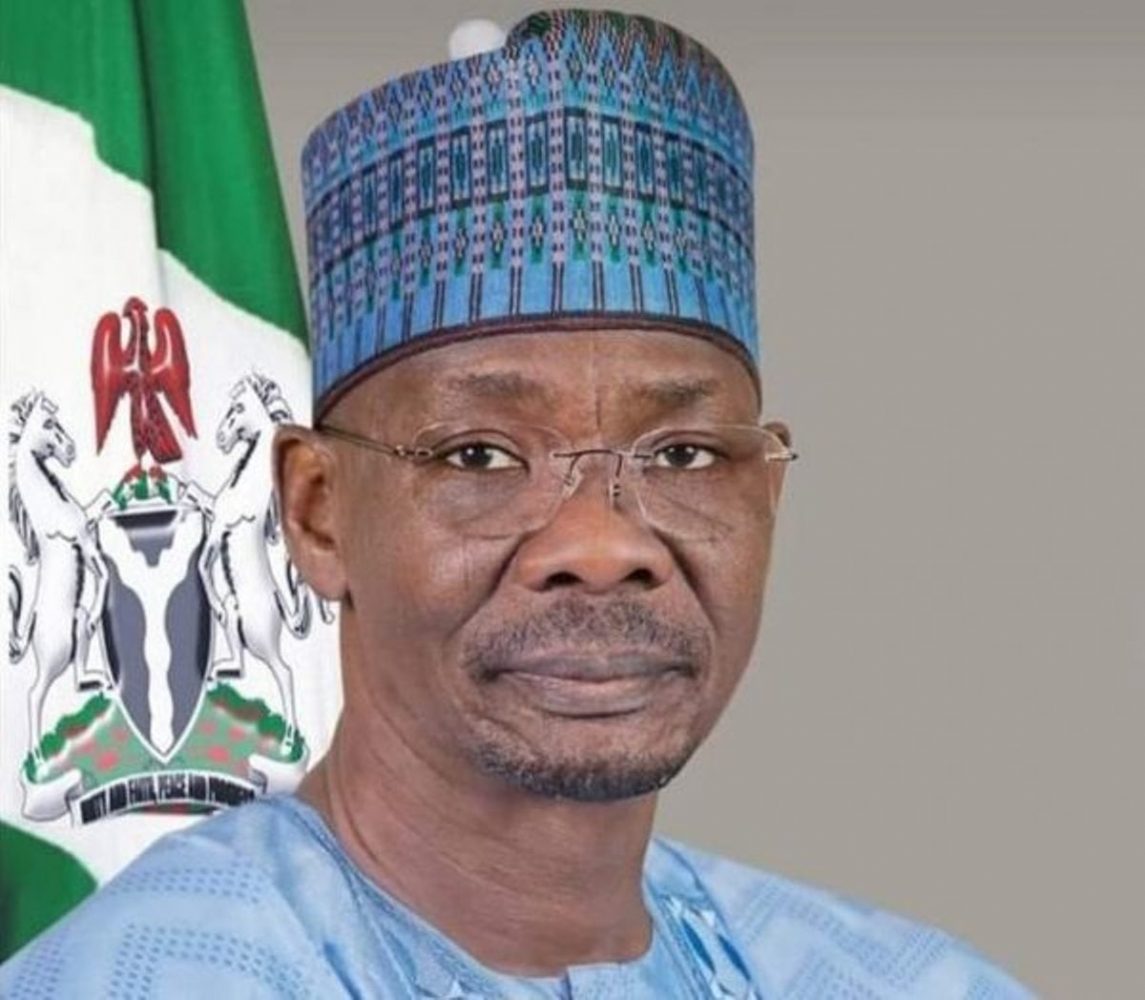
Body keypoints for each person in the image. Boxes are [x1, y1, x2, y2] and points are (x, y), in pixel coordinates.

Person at [0, 9, 1033, 997]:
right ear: (317, 511)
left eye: (682, 453)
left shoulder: (902, 981)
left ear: (766, 494)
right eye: (481, 454)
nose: (600, 542)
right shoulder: (144, 978)